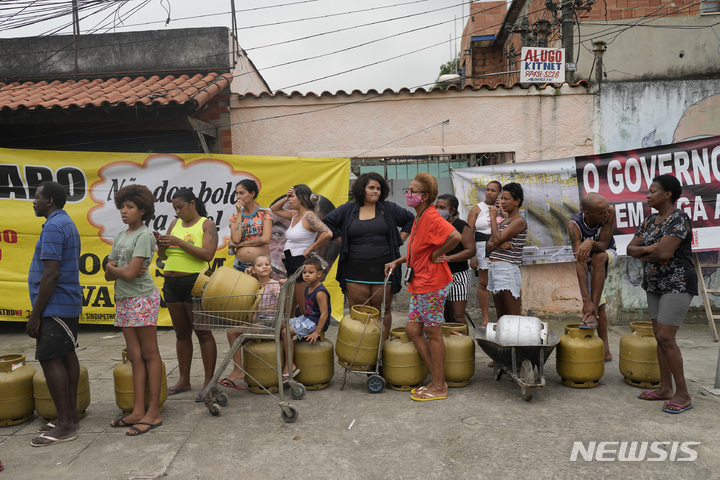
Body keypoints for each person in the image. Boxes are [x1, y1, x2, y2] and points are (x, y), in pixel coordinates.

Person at [385, 173, 461, 402]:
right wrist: (399, 261)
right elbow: (418, 250)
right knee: (413, 331)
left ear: (425, 196)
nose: (408, 194)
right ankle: (437, 379)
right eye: (407, 190)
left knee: (432, 332)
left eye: (413, 191)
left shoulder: (432, 217)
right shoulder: (420, 216)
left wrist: (439, 253)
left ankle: (439, 385)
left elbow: (455, 236)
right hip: (420, 283)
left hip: (431, 284)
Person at [627, 174, 697, 414]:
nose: (648, 195)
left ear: (667, 194)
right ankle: (665, 389)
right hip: (654, 284)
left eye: (653, 191)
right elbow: (630, 248)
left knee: (666, 337)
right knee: (659, 336)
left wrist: (644, 252)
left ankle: (683, 394)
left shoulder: (679, 219)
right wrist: (647, 248)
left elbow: (664, 254)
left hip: (678, 283)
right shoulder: (649, 221)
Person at [323, 172, 414, 341]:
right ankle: (363, 353)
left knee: (383, 311)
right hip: (355, 270)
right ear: (361, 189)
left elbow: (410, 220)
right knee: (359, 312)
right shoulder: (348, 209)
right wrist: (342, 241)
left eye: (379, 188)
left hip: (384, 270)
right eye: (371, 188)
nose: (376, 191)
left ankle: (382, 351)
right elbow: (327, 223)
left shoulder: (388, 208)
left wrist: (398, 241)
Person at [104, 185, 163, 436]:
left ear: (142, 210)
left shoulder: (144, 236)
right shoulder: (121, 236)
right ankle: (138, 411)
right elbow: (108, 273)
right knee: (135, 357)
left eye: (129, 207)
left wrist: (117, 268)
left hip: (142, 299)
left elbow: (123, 272)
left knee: (150, 354)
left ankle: (154, 412)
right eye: (122, 207)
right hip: (125, 300)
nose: (124, 211)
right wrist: (118, 270)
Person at [27, 181, 82, 447]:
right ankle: (70, 416)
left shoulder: (52, 226)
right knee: (66, 355)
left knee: (50, 360)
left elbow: (51, 273)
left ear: (49, 200)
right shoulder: (67, 223)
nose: (34, 202)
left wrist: (35, 314)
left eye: (37, 198)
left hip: (55, 305)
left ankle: (65, 425)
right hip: (67, 303)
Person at [157, 188, 219, 402]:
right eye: (175, 208)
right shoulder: (174, 225)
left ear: (192, 204)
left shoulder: (207, 225)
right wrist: (162, 246)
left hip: (196, 282)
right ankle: (184, 380)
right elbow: (164, 255)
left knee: (203, 333)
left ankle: (209, 382)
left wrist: (180, 243)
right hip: (172, 283)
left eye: (180, 207)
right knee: (181, 333)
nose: (177, 211)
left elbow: (208, 254)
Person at [219, 254, 281, 390]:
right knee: (232, 333)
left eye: (267, 264)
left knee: (236, 335)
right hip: (259, 322)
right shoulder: (254, 285)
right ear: (253, 269)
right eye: (260, 265)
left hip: (270, 323)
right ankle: (238, 369)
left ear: (271, 268)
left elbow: (281, 304)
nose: (264, 267)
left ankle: (238, 370)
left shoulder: (273, 285)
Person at [568, 192, 616, 361]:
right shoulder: (574, 225)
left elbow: (603, 245)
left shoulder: (610, 212)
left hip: (607, 255)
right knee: (600, 304)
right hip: (587, 264)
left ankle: (591, 313)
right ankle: (605, 352)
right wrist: (586, 300)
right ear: (587, 213)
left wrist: (590, 242)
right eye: (601, 212)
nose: (606, 214)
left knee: (598, 256)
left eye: (606, 210)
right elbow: (579, 262)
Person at [270, 185, 332, 315]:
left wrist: (310, 249)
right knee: (288, 308)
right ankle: (287, 334)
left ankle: (309, 335)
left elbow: (327, 233)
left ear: (302, 199)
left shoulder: (309, 217)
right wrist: (286, 198)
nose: (290, 200)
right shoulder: (294, 214)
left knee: (304, 308)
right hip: (290, 263)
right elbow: (274, 209)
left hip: (301, 263)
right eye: (290, 197)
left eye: (292, 197)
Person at [280, 257, 331, 380]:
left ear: (319, 274)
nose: (306, 275)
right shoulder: (308, 288)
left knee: (286, 332)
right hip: (307, 318)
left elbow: (324, 314)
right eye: (304, 272)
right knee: (282, 324)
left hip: (315, 323)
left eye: (310, 272)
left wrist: (317, 332)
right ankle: (286, 355)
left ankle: (289, 364)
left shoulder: (320, 293)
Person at [486, 182, 527, 320]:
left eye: (506, 199)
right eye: (501, 198)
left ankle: (516, 342)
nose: (502, 202)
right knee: (501, 315)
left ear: (517, 201)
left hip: (507, 269)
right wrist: (499, 243)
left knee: (513, 316)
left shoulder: (519, 221)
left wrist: (492, 218)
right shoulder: (504, 222)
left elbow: (495, 240)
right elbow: (488, 245)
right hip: (494, 268)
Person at [436, 194, 476, 325]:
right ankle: (451, 344)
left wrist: (448, 259)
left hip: (458, 276)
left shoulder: (460, 226)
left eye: (441, 207)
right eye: (436, 207)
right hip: (439, 276)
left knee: (457, 316)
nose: (437, 210)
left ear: (452, 210)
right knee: (446, 316)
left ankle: (464, 343)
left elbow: (470, 250)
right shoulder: (435, 226)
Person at [467, 181, 503, 326]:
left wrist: (502, 209)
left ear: (499, 193)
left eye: (493, 190)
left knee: (500, 282)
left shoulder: (504, 208)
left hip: (500, 247)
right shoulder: (477, 209)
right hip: (482, 247)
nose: (489, 192)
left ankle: (501, 317)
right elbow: (468, 233)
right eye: (487, 190)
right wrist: (472, 255)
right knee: (484, 283)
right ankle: (485, 318)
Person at [229, 179, 272, 273]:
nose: (238, 197)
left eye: (241, 193)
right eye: (237, 193)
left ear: (252, 194)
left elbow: (265, 239)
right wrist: (239, 213)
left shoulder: (265, 212)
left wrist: (240, 245)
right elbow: (235, 239)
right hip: (239, 265)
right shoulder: (234, 217)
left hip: (261, 266)